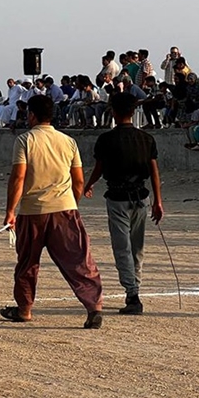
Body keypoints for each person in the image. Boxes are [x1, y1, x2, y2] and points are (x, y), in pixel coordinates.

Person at [2, 95, 104, 328]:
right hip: (65, 209)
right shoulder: (68, 141)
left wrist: (10, 210)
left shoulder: (25, 140)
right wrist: (71, 203)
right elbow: (78, 181)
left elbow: (18, 177)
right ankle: (93, 307)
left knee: (27, 262)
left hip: (32, 211)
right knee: (79, 260)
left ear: (32, 115)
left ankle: (25, 309)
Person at [83, 93, 164, 316]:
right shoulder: (147, 139)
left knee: (122, 248)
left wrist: (88, 185)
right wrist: (158, 201)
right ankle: (134, 288)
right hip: (142, 197)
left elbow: (99, 168)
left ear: (113, 112)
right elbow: (154, 171)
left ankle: (132, 293)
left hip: (118, 199)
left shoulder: (106, 139)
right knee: (137, 247)